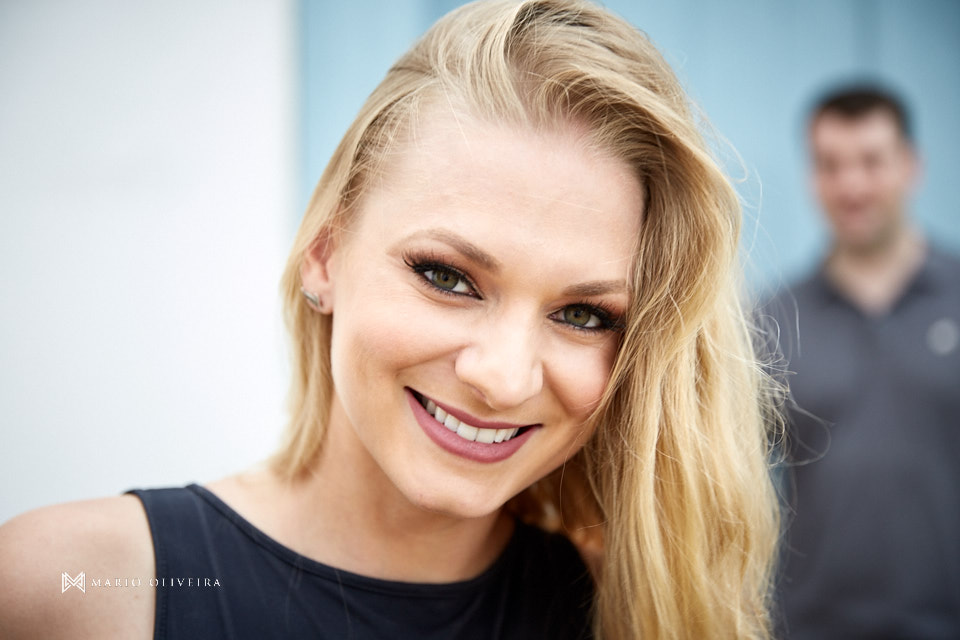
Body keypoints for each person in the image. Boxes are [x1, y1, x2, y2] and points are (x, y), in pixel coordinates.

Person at [0, 1, 781, 638]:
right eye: (447, 277)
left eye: (583, 314)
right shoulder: (78, 588)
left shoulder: (630, 612)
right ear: (324, 254)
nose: (503, 378)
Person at [768, 84, 960, 638]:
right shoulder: (774, 320)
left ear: (911, 166)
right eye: (830, 165)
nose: (851, 185)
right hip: (810, 625)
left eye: (871, 162)